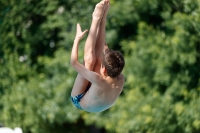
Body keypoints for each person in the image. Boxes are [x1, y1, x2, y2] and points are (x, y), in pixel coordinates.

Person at [70, 0, 125, 112]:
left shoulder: (99, 79)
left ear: (103, 70)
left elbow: (74, 63)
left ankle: (95, 18)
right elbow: (107, 53)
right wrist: (105, 48)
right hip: (96, 95)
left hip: (80, 99)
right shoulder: (120, 77)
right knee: (100, 56)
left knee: (90, 60)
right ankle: (103, 17)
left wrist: (77, 40)